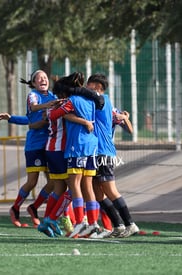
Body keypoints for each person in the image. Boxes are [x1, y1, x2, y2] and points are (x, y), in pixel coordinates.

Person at [0, 70, 60, 228]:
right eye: (39, 78)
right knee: (32, 181)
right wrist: (11, 119)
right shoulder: (33, 95)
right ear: (33, 83)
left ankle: (34, 207)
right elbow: (32, 111)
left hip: (50, 145)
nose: (43, 79)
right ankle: (15, 208)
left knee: (54, 182)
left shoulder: (53, 97)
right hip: (35, 145)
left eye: (45, 77)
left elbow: (31, 120)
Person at [86, 73, 139, 238]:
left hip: (104, 151)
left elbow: (129, 130)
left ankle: (130, 224)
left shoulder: (103, 101)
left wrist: (124, 118)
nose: (87, 88)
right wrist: (122, 117)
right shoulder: (99, 104)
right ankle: (118, 225)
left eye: (89, 85)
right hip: (96, 152)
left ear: (96, 87)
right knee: (97, 192)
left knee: (110, 189)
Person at [48, 72, 100, 238]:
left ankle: (79, 222)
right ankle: (93, 224)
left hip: (77, 146)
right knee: (88, 186)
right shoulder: (91, 100)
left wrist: (60, 107)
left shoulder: (71, 102)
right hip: (92, 145)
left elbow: (54, 115)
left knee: (75, 184)